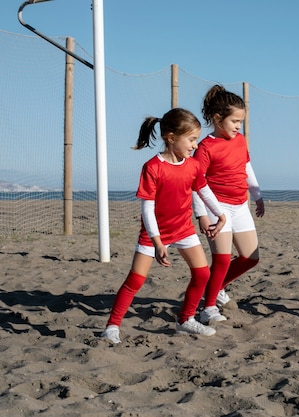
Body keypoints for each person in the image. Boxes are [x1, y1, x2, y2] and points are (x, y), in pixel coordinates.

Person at [101, 108, 227, 344]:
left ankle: (185, 320)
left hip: (184, 229)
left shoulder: (192, 165)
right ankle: (111, 326)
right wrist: (158, 242)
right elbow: (147, 209)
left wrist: (220, 214)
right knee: (135, 281)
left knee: (202, 274)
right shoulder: (153, 167)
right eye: (191, 140)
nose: (194, 145)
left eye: (196, 140)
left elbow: (203, 190)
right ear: (171, 138)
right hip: (154, 235)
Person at [192, 84, 264, 324]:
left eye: (241, 122)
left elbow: (246, 167)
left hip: (240, 206)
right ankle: (208, 307)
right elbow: (196, 183)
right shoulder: (205, 147)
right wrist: (202, 215)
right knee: (222, 259)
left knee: (250, 257)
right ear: (217, 118)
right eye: (234, 121)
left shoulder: (240, 140)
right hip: (216, 209)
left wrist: (257, 194)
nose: (238, 126)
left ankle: (215, 287)